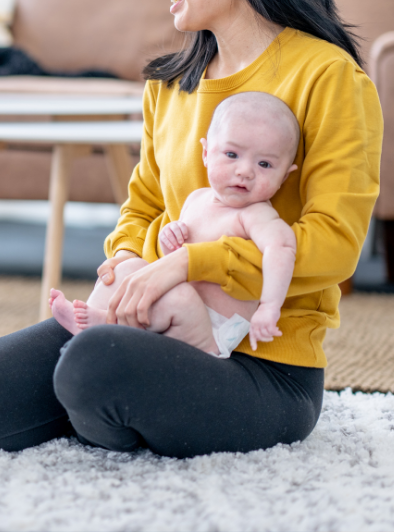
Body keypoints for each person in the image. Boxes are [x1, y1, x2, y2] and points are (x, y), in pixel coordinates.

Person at [0, 0, 382, 458]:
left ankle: (109, 398)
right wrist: (126, 263)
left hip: (265, 370)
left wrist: (190, 263)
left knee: (91, 366)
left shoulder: (330, 78)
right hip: (148, 325)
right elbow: (142, 206)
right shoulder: (170, 86)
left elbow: (335, 246)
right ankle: (117, 401)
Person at [50, 91, 300, 357]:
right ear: (206, 153)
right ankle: (92, 322)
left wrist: (269, 306)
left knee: (178, 297)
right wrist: (170, 237)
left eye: (264, 164)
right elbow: (174, 260)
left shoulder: (255, 214)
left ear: (284, 176)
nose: (245, 171)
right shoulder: (197, 199)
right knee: (130, 267)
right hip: (175, 311)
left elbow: (282, 248)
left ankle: (105, 325)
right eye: (231, 154)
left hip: (210, 330)